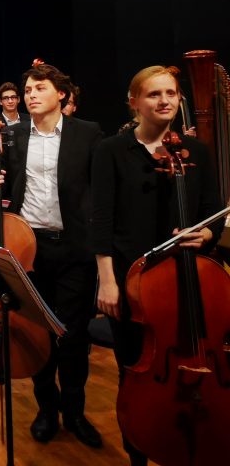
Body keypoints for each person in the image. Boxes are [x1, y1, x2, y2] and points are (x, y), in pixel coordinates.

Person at [91, 65, 224, 466]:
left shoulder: (196, 151)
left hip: (190, 279)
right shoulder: (112, 151)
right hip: (134, 283)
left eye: (171, 93)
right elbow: (102, 220)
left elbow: (212, 211)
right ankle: (140, 450)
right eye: (154, 94)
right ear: (134, 102)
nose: (164, 100)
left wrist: (206, 234)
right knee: (136, 369)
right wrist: (107, 281)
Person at [0, 62, 103, 449]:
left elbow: (99, 190)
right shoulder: (14, 135)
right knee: (38, 334)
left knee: (73, 335)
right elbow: (9, 188)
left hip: (74, 247)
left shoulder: (88, 133)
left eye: (40, 88)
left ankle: (75, 411)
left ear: (61, 94)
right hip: (29, 246)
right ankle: (46, 409)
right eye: (28, 90)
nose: (31, 95)